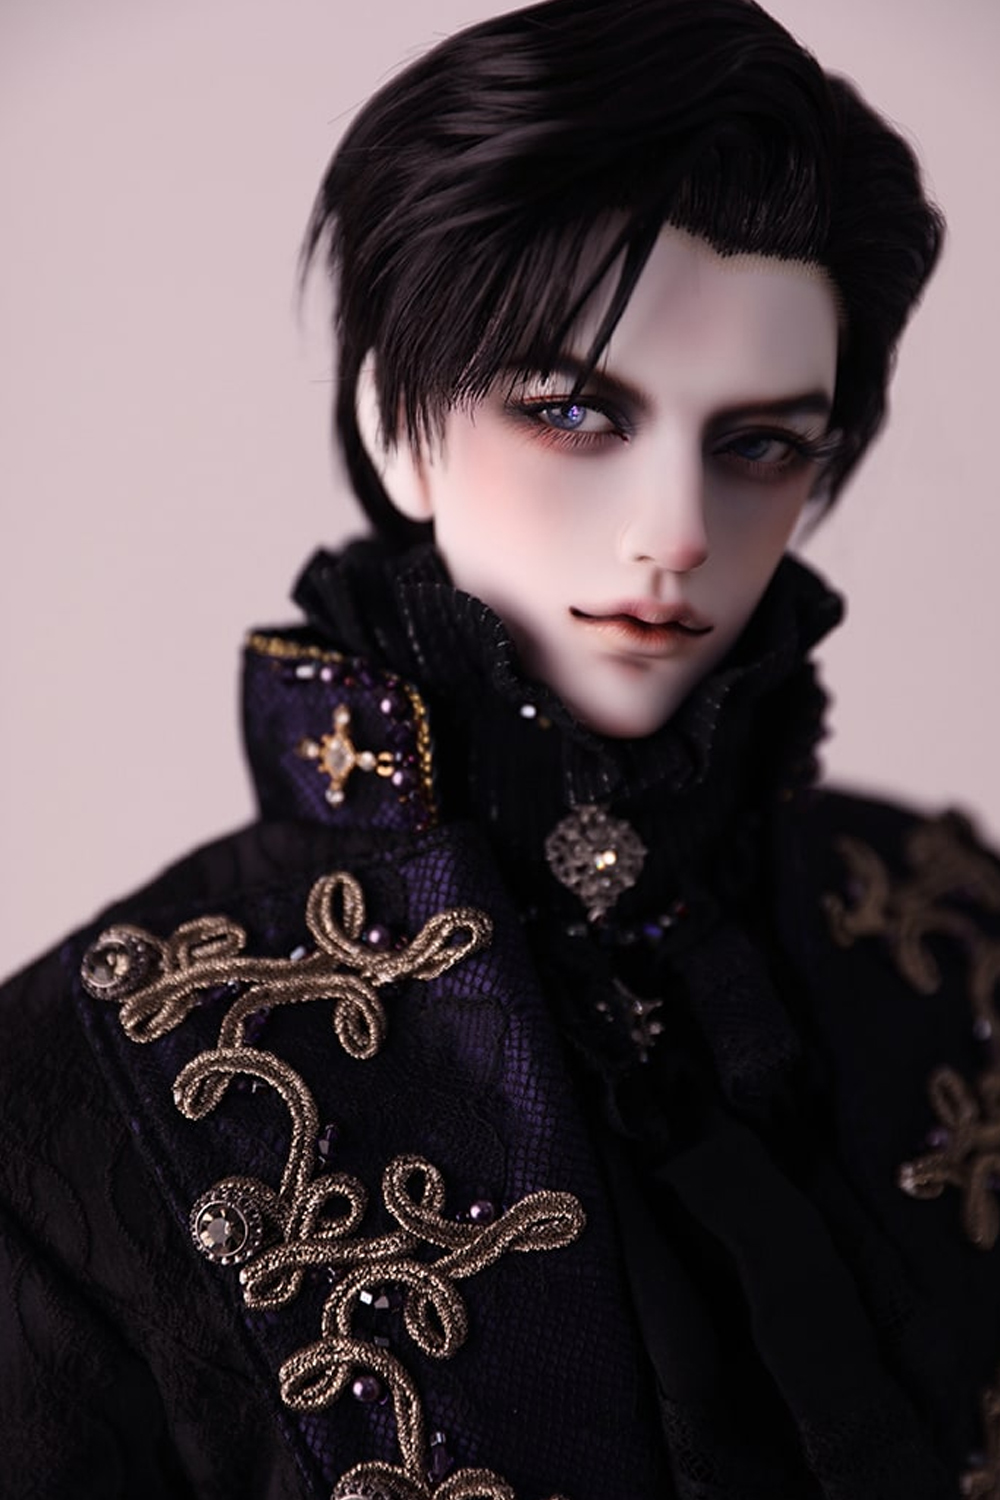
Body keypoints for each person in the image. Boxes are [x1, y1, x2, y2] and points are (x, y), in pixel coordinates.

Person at [2, 2, 997, 1497]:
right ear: (398, 427)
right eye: (574, 413)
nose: (675, 533)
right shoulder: (79, 1091)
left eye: (761, 444)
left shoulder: (946, 933)